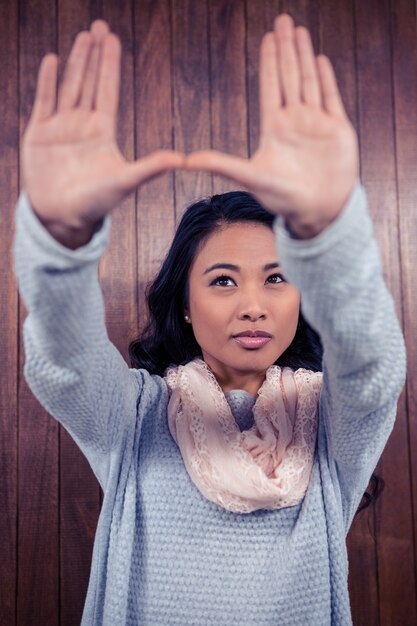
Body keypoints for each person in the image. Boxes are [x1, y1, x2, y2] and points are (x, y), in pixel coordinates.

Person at [13, 13, 405, 626]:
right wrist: (61, 242)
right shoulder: (133, 416)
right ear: (187, 308)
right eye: (223, 280)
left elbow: (375, 367)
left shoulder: (331, 425)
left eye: (277, 278)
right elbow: (63, 364)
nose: (254, 303)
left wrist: (329, 234)